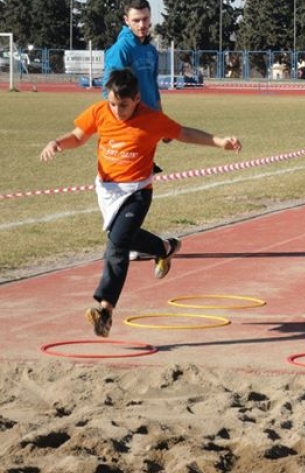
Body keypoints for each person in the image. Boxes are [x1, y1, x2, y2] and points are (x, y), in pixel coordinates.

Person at [39, 69, 242, 338]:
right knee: (120, 236)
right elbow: (78, 137)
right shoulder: (100, 112)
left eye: (123, 105)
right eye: (113, 103)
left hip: (137, 192)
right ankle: (165, 247)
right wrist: (56, 143)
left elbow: (184, 133)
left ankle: (105, 310)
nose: (117, 110)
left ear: (136, 99)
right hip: (108, 191)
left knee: (117, 245)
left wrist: (219, 142)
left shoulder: (152, 119)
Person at [104, 0, 165, 262]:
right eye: (136, 20)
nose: (142, 25)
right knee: (131, 185)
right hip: (130, 128)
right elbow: (112, 92)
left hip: (149, 127)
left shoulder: (150, 50)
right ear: (126, 21)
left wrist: (161, 120)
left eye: (146, 19)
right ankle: (129, 240)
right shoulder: (121, 50)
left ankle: (129, 238)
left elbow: (153, 86)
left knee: (140, 185)